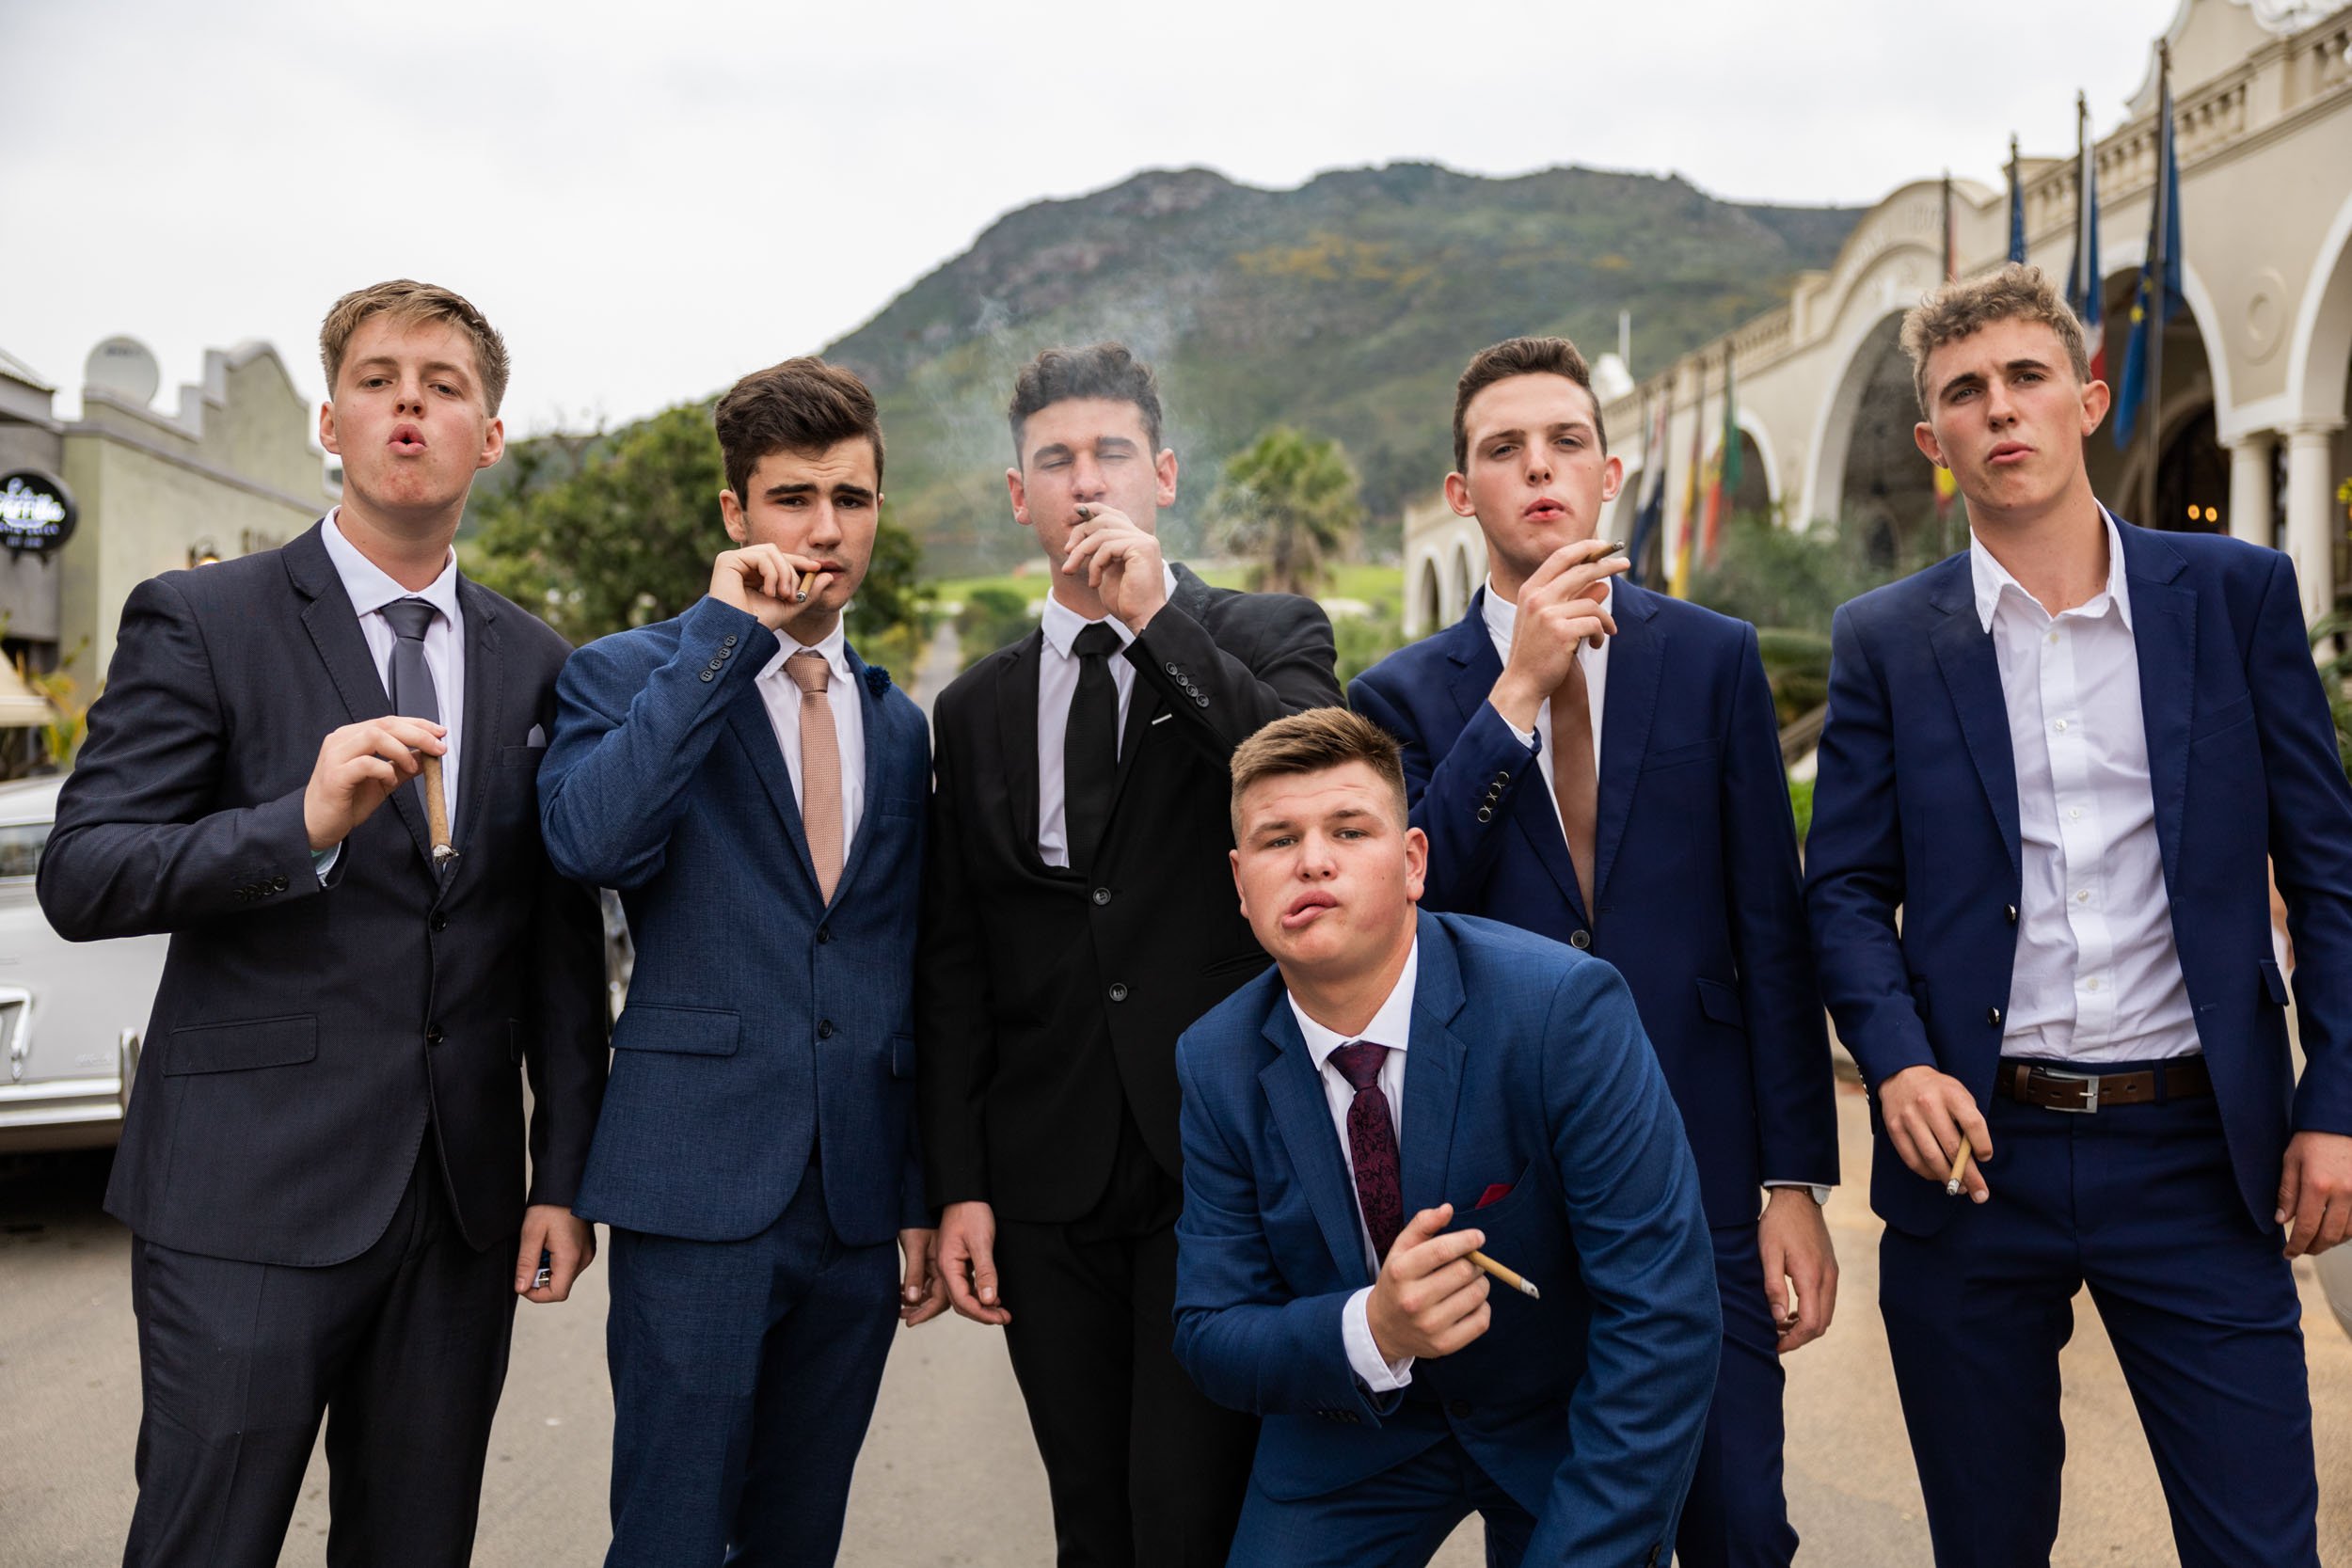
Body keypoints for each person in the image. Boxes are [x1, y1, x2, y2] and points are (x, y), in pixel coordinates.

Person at [38, 279, 609, 1567]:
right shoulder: (202, 618)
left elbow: (557, 947)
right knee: (206, 1541)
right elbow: (84, 871)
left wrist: (563, 1175)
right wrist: (295, 824)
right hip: (243, 1197)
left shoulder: (540, 662)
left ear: (489, 436)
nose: (410, 403)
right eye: (377, 378)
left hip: (458, 1211)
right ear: (328, 420)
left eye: (445, 385)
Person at [1804, 261, 2352, 1566]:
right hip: (1973, 1163)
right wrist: (1899, 1060)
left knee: (2260, 1544)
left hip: (2199, 1153)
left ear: (2088, 400)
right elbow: (1843, 888)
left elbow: (2328, 866)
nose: (2000, 408)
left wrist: (2335, 1099)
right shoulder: (1885, 638)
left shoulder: (2236, 595)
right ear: (1934, 442)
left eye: (2026, 376)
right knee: (1988, 1544)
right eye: (1965, 392)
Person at [1348, 335, 1838, 1565]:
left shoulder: (1712, 657)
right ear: (1462, 492)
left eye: (1566, 440)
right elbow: (1403, 907)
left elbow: (1769, 931)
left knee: (1741, 1526)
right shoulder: (1399, 696)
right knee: (1554, 1535)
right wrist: (1517, 691)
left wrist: (1795, 1181)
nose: (1539, 466)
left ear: (1608, 472)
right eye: (1503, 448)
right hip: (1505, 1198)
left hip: (1702, 1177)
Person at [918, 342, 1340, 1564]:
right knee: (1090, 1517)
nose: (1086, 480)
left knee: (1188, 1515)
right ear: (1021, 494)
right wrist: (957, 1182)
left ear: (1163, 475)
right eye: (1055, 460)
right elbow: (956, 962)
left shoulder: (1267, 634)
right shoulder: (974, 707)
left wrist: (1157, 620)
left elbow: (1312, 790)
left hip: (1219, 1161)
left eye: (1111, 453)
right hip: (1044, 1176)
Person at [538, 356, 945, 1566]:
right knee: (669, 1533)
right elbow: (591, 843)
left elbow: (902, 961)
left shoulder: (897, 721)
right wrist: (725, 636)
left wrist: (917, 1190)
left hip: (856, 1199)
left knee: (798, 1536)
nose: (825, 529)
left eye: (851, 498)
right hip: (696, 1185)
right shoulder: (625, 673)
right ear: (736, 512)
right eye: (793, 497)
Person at [1171, 706, 1719, 1567]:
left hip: (1559, 1415)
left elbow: (1664, 1311)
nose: (1312, 859)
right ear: (1241, 884)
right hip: (1351, 1428)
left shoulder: (1563, 1009)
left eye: (1349, 829)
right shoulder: (1215, 1059)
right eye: (1278, 840)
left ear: (1415, 861)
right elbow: (1211, 1328)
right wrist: (1375, 1329)